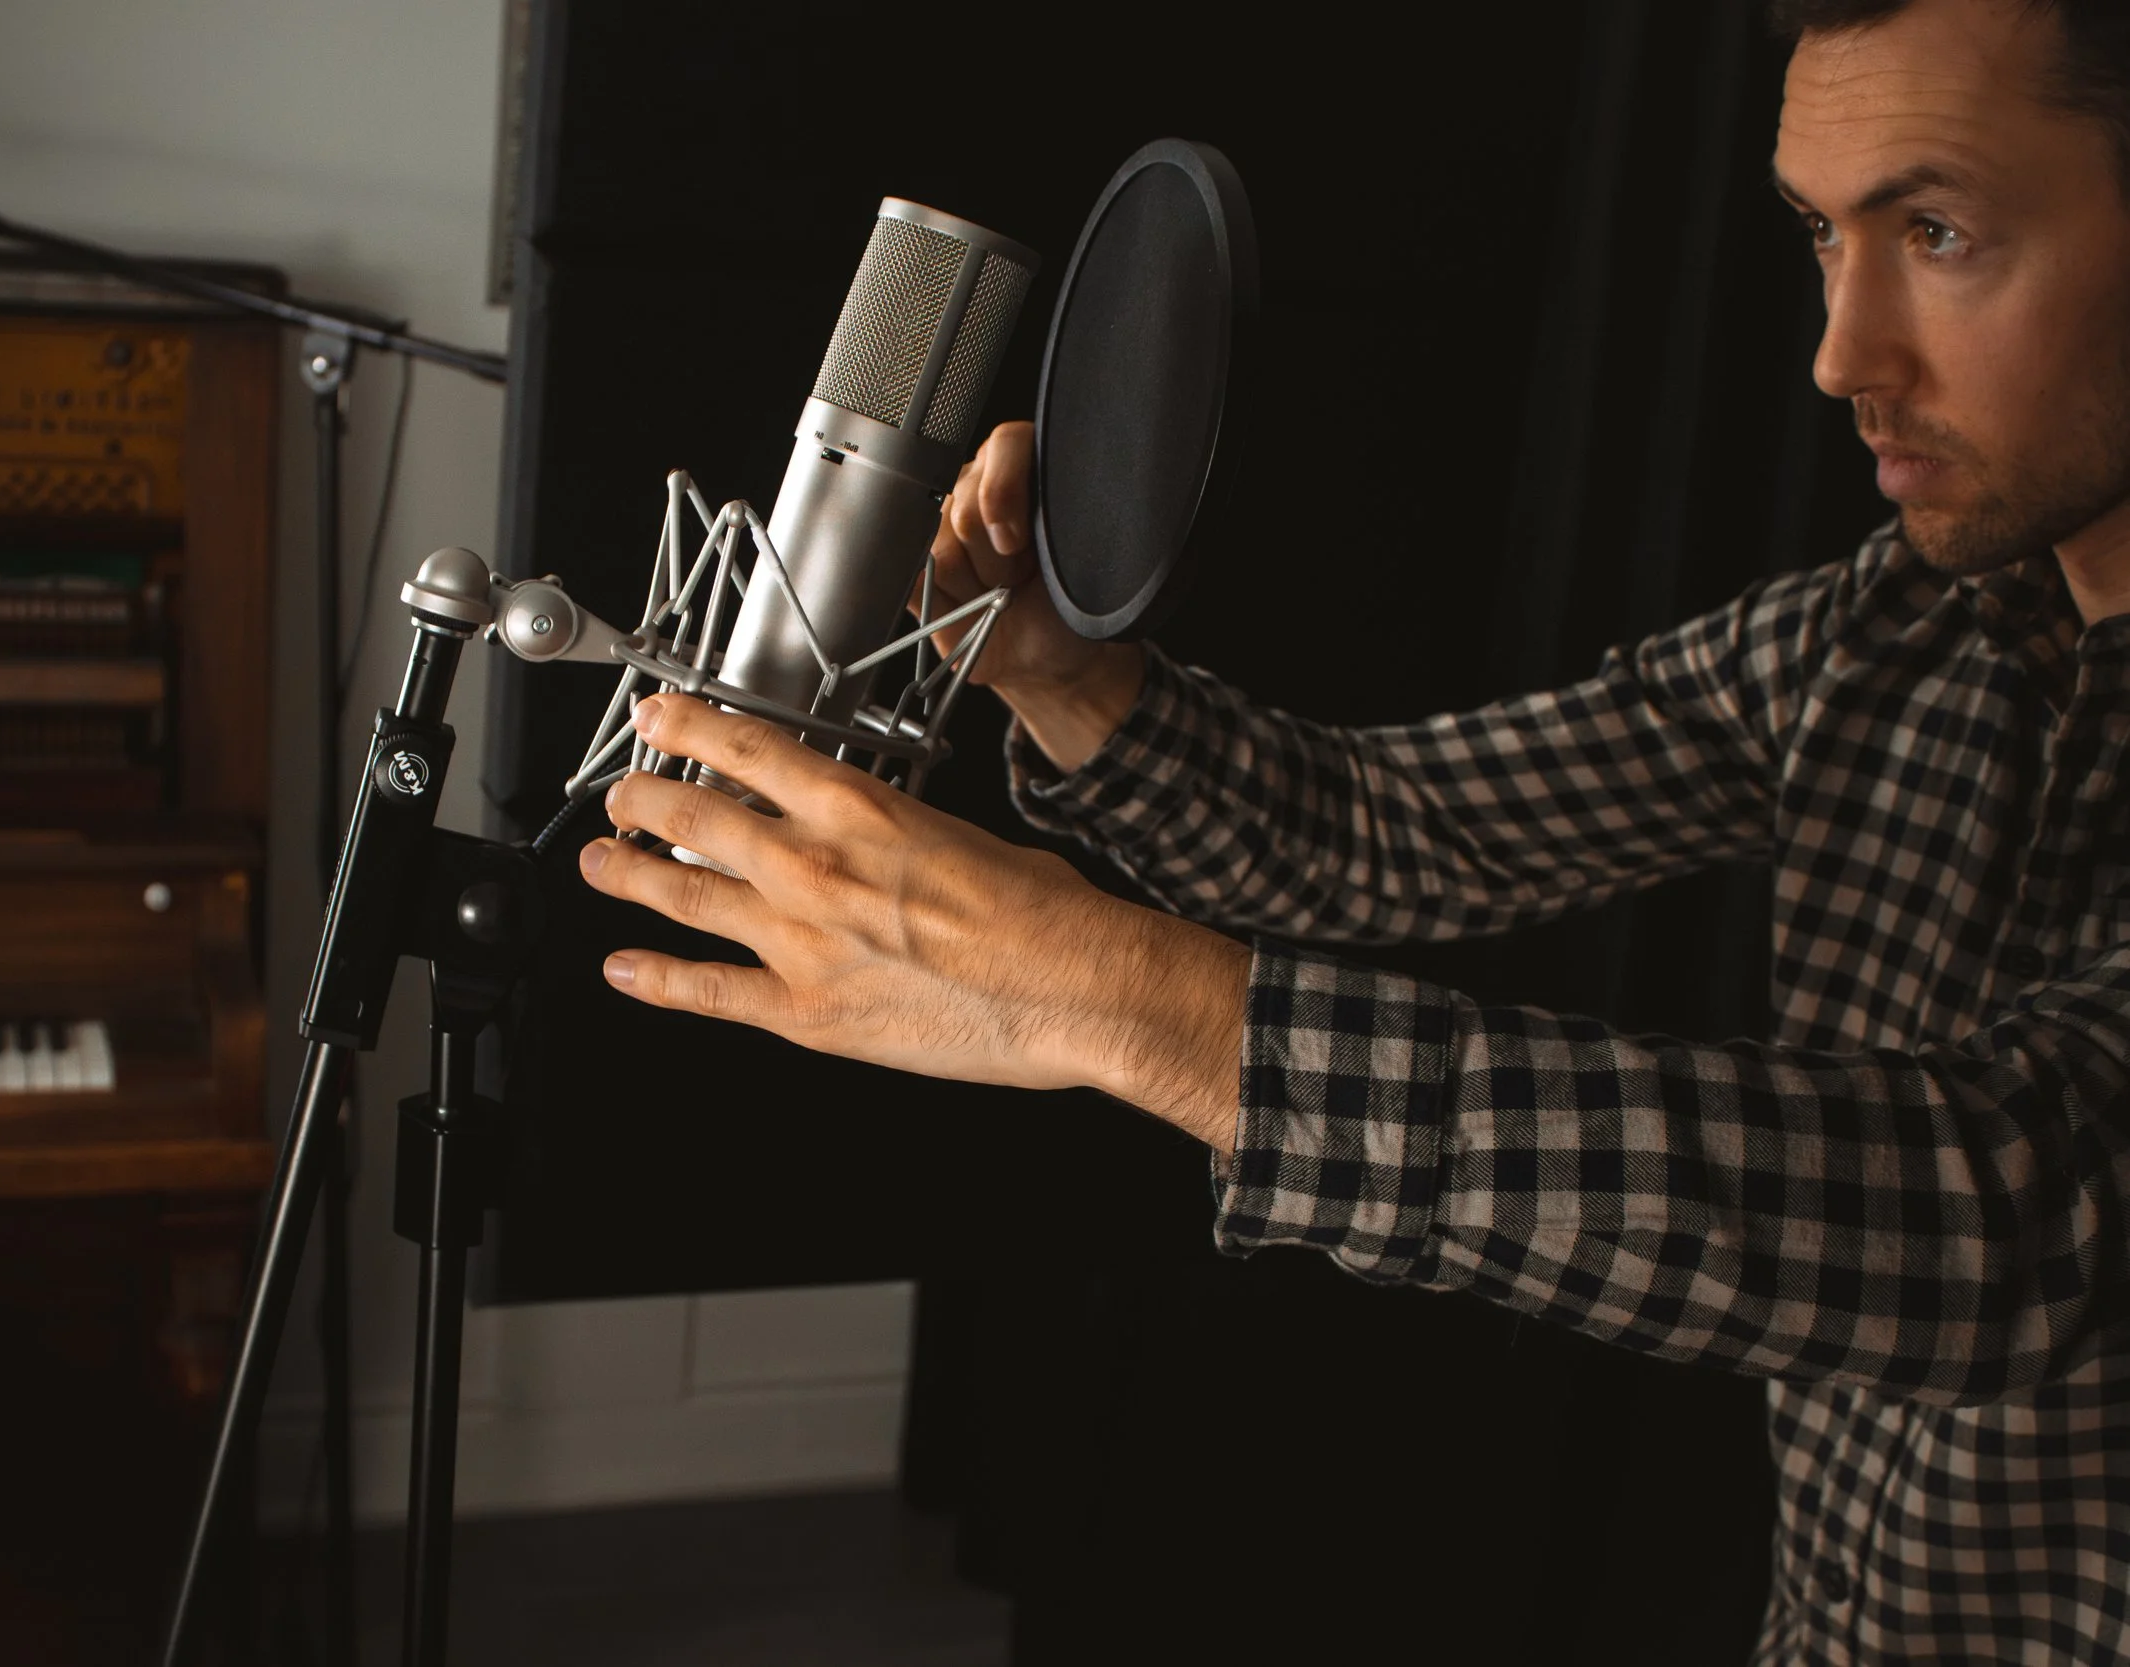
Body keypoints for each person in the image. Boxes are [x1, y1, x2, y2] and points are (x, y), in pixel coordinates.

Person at [575, 0, 2130, 1659]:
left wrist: (1105, 994)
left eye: (1939, 231)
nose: (1841, 354)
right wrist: (1066, 677)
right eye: (1823, 233)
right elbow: (1392, 832)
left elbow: (2006, 1216)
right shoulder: (1883, 634)